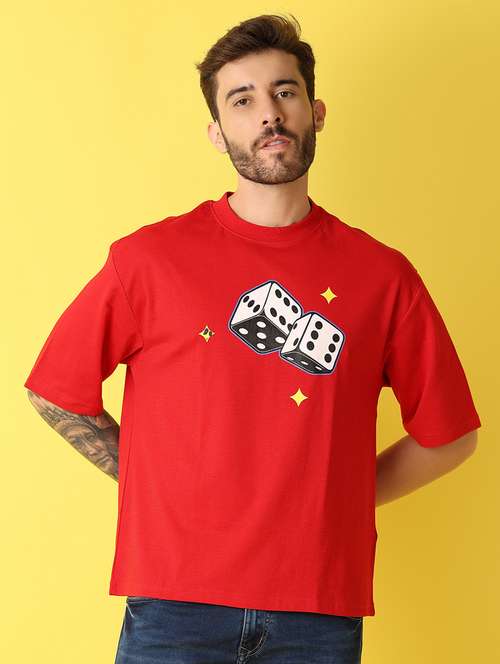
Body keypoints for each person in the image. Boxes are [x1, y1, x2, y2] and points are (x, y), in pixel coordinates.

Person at [24, 13, 481, 664]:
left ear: (316, 112)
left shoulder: (383, 276)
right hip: (174, 606)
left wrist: (338, 497)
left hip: (318, 610)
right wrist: (156, 483)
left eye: (284, 92)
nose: (268, 113)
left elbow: (450, 433)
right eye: (242, 100)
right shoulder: (148, 260)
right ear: (217, 132)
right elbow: (55, 391)